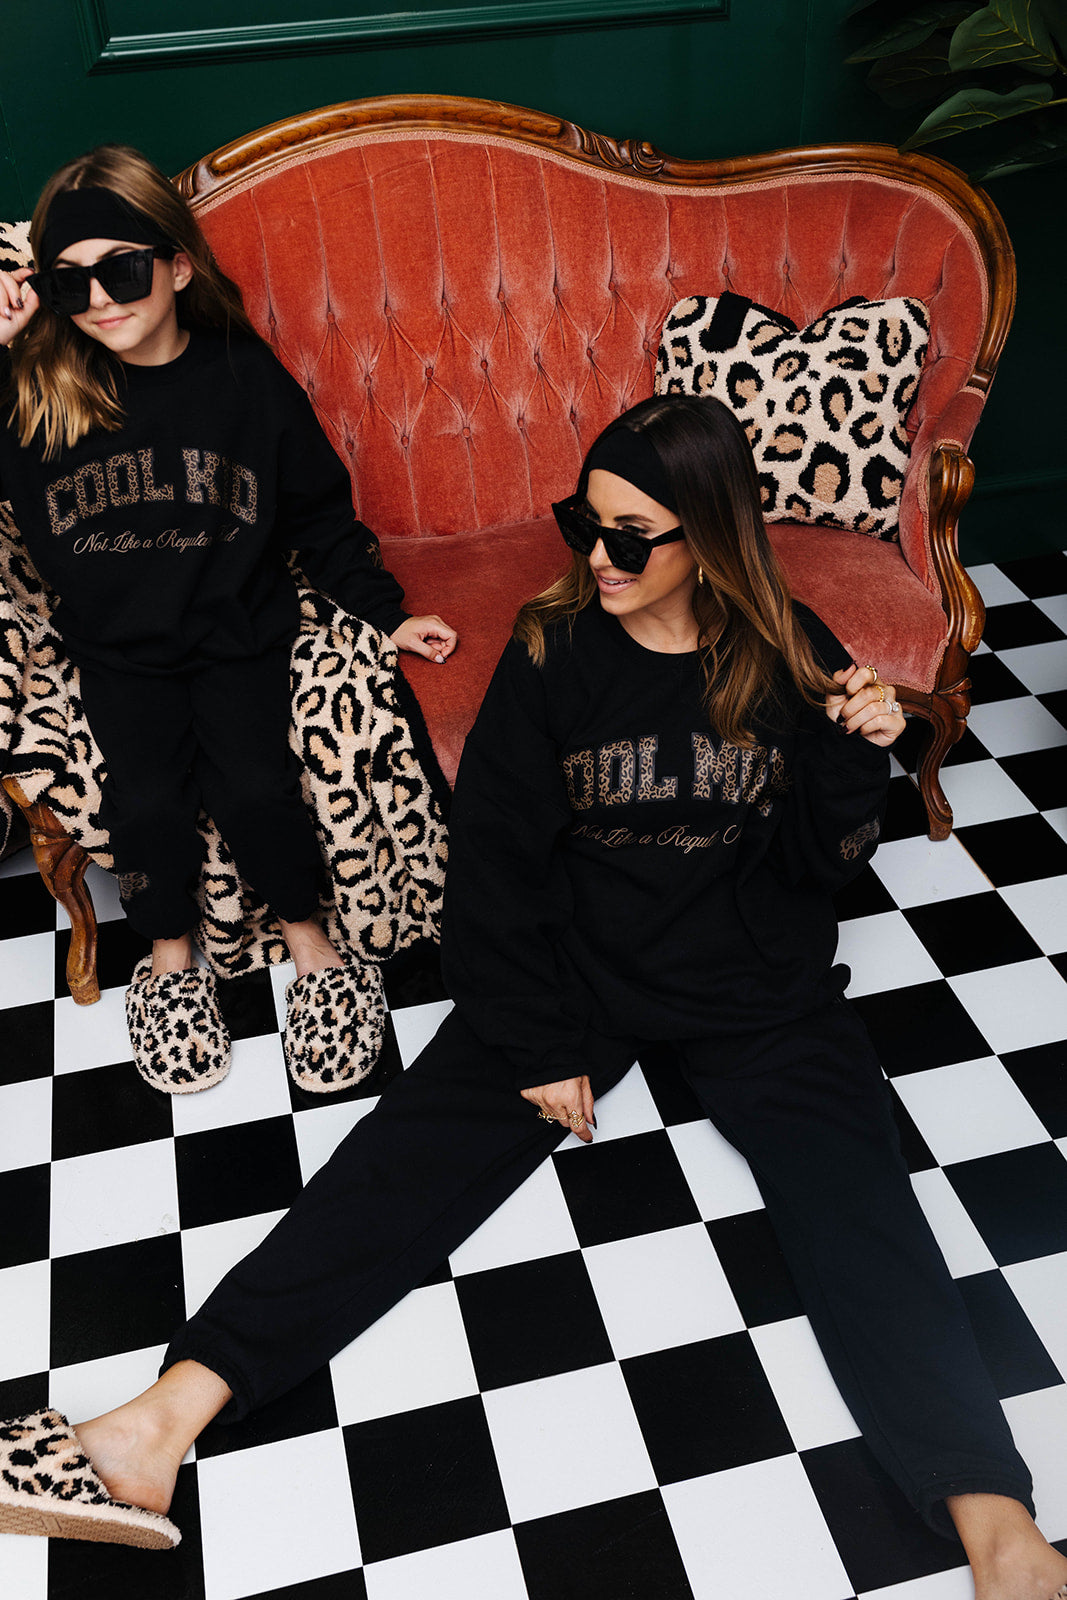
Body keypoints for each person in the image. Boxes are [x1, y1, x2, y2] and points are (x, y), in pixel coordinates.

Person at [1, 394, 1064, 1600]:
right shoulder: (555, 646)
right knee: (400, 1161)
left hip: (753, 985)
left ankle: (997, 1527)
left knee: (858, 1204)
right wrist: (542, 1033)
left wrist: (848, 751)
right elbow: (495, 865)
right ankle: (150, 1430)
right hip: (580, 969)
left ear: (709, 537)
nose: (595, 558)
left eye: (629, 536)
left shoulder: (790, 647)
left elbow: (824, 865)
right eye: (584, 523)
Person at [0, 144, 456, 1093]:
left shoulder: (244, 380)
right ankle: (167, 959)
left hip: (238, 630)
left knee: (255, 789)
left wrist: (383, 614)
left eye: (120, 270)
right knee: (151, 802)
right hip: (117, 647)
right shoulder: (34, 389)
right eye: (68, 282)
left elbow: (318, 511)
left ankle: (311, 945)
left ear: (176, 263)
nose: (98, 302)